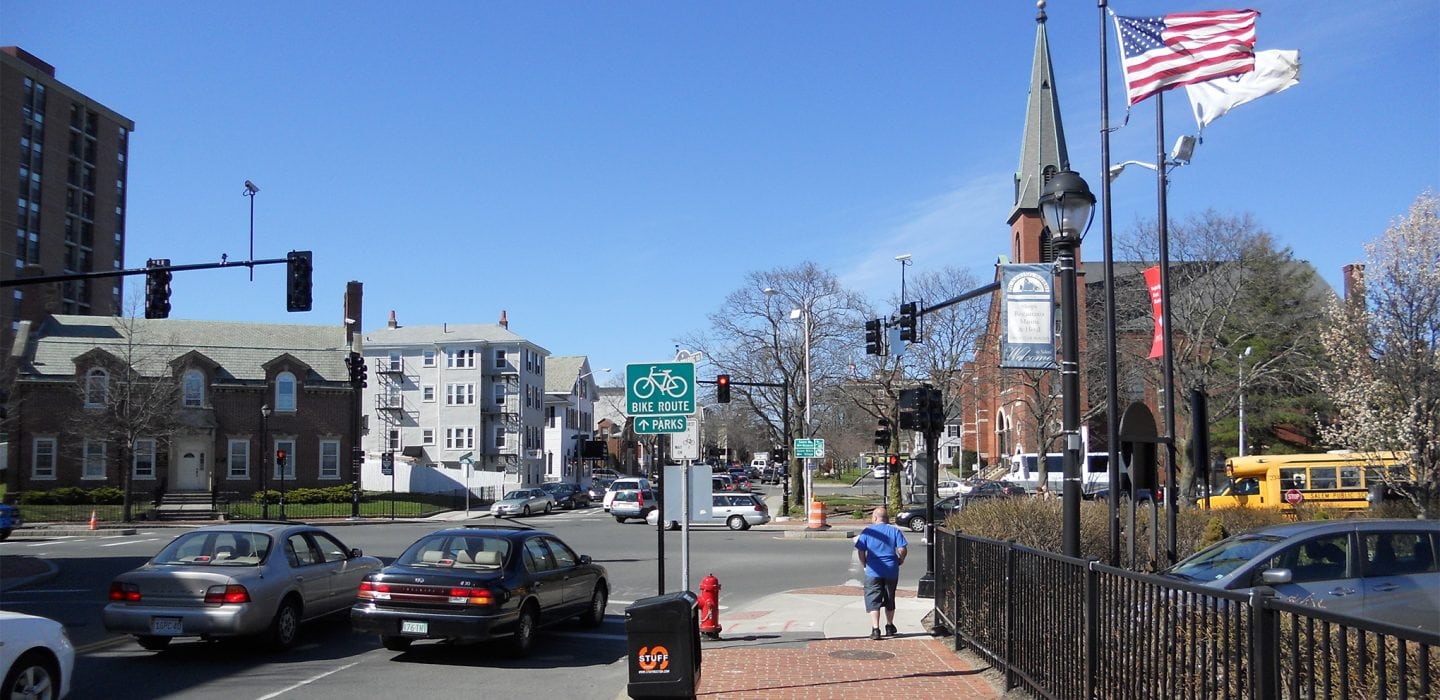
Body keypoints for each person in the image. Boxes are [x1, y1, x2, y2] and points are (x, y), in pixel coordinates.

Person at [854, 506, 908, 640]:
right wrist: (900, 559)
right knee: (890, 597)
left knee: (873, 598)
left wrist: (865, 564)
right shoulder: (894, 531)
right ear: (887, 519)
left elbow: (861, 552)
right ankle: (889, 626)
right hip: (891, 569)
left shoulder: (867, 532)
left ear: (874, 518)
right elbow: (902, 548)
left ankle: (875, 628)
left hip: (873, 570)